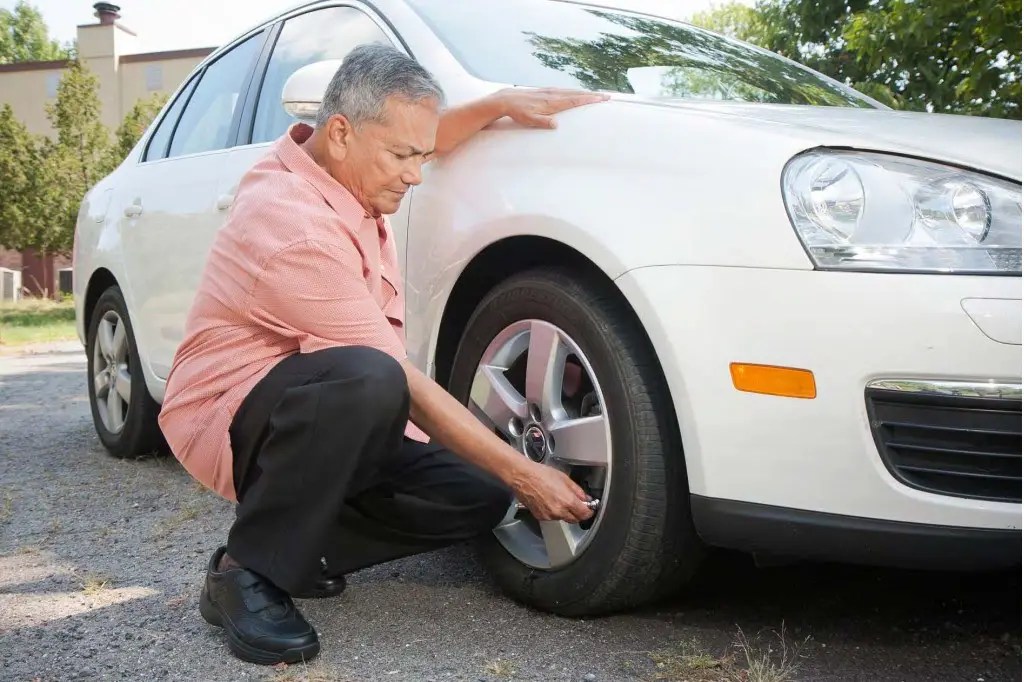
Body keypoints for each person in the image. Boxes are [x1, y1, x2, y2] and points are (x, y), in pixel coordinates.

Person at [157, 43, 608, 666]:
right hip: (231, 413)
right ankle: (247, 573)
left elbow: (413, 136)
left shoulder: (345, 159)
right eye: (403, 157)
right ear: (340, 133)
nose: (416, 172)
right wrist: (526, 473)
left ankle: (299, 542)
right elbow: (401, 384)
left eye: (420, 155)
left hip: (320, 407)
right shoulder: (291, 224)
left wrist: (499, 104)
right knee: (371, 379)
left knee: (479, 494)